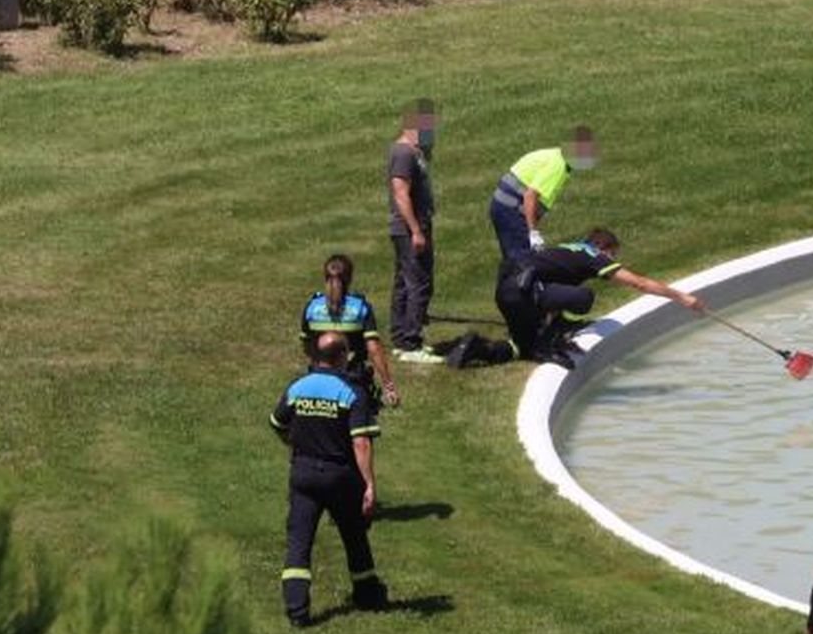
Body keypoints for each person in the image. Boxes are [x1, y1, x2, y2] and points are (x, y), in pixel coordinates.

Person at [439, 228, 703, 368]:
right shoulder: (593, 256)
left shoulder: (565, 250)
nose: (612, 261)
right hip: (525, 293)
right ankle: (554, 335)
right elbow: (639, 283)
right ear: (603, 248)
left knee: (522, 349)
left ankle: (474, 347)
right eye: (612, 255)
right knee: (585, 297)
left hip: (506, 291)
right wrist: (681, 297)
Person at [270, 332, 388, 627]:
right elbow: (360, 443)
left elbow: (277, 422)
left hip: (303, 473)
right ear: (341, 357)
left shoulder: (298, 387)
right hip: (340, 476)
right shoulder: (351, 392)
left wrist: (294, 444)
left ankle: (297, 610)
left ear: (316, 356)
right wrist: (370, 485)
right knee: (354, 535)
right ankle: (367, 595)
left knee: (299, 541)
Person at [300, 254, 400, 407]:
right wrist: (389, 386)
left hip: (318, 379)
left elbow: (307, 346)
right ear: (349, 278)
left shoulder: (312, 307)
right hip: (353, 380)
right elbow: (374, 349)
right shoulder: (360, 307)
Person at [488, 126, 597, 264]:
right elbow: (530, 196)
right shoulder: (558, 166)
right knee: (523, 262)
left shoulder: (554, 155)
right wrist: (533, 233)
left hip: (503, 206)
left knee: (514, 258)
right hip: (511, 211)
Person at [388, 97, 440, 362]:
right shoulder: (403, 153)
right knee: (418, 283)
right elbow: (401, 193)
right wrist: (416, 230)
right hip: (409, 229)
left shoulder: (414, 152)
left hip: (413, 226)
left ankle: (400, 336)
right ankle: (411, 343)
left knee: (404, 283)